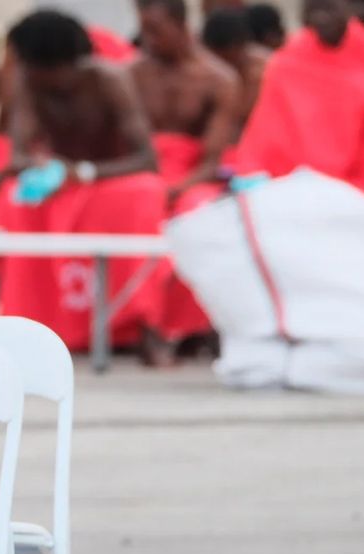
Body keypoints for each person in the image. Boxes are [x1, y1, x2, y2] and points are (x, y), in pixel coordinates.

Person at [0, 10, 167, 354]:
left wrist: (84, 172)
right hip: (62, 182)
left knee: (145, 194)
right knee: (17, 198)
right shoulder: (29, 83)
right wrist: (46, 166)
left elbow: (147, 160)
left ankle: (141, 324)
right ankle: (33, 324)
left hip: (112, 179)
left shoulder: (110, 81)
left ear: (63, 65)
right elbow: (19, 154)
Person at [128, 0, 240, 359]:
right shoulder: (131, 74)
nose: (149, 41)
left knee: (198, 211)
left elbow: (214, 158)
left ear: (181, 26)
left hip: (195, 176)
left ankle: (183, 328)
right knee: (135, 200)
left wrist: (180, 186)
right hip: (142, 172)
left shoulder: (218, 79)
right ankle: (134, 323)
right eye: (144, 31)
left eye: (156, 32)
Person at [235, 0, 364, 199]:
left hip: (359, 202)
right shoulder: (287, 60)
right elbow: (260, 145)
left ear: (356, 6)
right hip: (284, 196)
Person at [202, 8, 270, 138]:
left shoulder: (263, 70)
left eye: (220, 59)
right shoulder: (210, 69)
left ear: (236, 48)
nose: (216, 66)